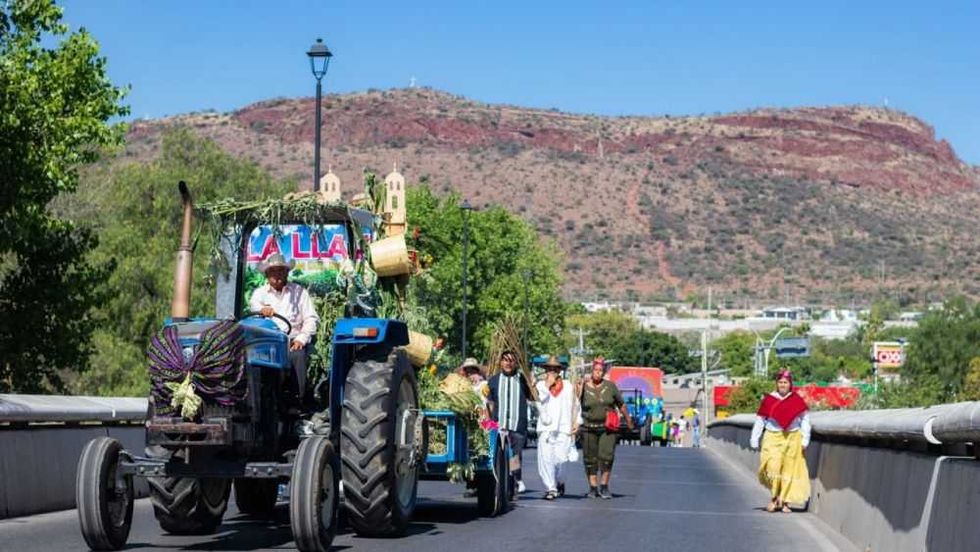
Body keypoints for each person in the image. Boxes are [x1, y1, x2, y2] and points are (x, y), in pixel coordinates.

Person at [249, 253, 319, 412]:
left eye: (281, 271)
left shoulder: (299, 293)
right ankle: (259, 403)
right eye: (273, 271)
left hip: (291, 340)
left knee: (297, 355)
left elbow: (311, 318)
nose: (278, 275)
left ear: (287, 273)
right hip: (267, 342)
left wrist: (302, 338)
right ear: (267, 275)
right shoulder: (259, 294)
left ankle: (296, 403)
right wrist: (262, 310)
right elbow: (254, 307)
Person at [750, 368, 811, 513]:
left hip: (792, 436)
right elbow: (760, 420)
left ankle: (784, 501)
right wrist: (755, 438)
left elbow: (805, 420)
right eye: (780, 382)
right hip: (772, 436)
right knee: (773, 467)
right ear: (776, 384)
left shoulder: (796, 400)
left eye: (785, 382)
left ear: (790, 384)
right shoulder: (769, 399)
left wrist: (805, 440)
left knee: (789, 470)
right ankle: (774, 497)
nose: (783, 385)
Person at [577, 357, 633, 499]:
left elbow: (621, 404)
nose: (598, 373)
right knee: (590, 459)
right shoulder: (583, 387)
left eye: (601, 371)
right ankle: (593, 487)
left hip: (607, 428)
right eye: (596, 370)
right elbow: (574, 405)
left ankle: (604, 486)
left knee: (606, 457)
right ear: (591, 371)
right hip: (588, 428)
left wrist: (628, 420)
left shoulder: (610, 386)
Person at [486, 350, 532, 496]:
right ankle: (502, 487)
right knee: (500, 458)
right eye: (505, 360)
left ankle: (513, 486)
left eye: (511, 360)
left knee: (515, 457)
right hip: (498, 425)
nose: (508, 363)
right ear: (500, 362)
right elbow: (489, 403)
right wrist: (488, 423)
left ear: (516, 363)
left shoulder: (522, 380)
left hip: (517, 424)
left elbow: (533, 397)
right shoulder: (493, 380)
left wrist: (533, 383)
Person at [534, 356, 580, 500]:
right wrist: (547, 385)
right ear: (545, 370)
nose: (552, 371)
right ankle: (550, 488)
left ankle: (560, 481)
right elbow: (537, 402)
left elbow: (576, 406)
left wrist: (577, 423)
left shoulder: (568, 386)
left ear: (560, 370)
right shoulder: (540, 386)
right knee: (545, 459)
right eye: (549, 369)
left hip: (563, 428)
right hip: (546, 428)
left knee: (561, 459)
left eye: (555, 369)